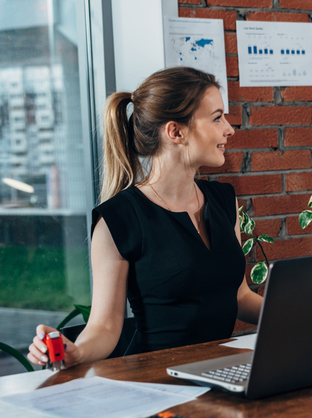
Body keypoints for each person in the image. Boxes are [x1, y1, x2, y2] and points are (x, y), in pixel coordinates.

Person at [27, 67, 263, 368]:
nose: (229, 129)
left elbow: (239, 295)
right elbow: (105, 326)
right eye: (217, 118)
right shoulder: (118, 219)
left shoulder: (224, 200)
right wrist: (78, 352)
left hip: (218, 371)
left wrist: (308, 309)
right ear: (176, 132)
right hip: (153, 382)